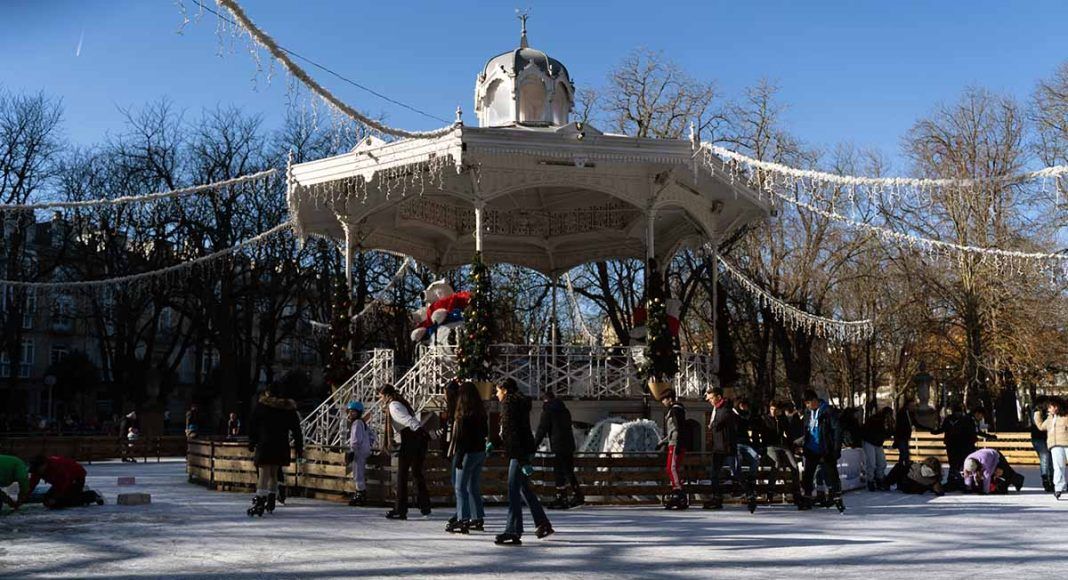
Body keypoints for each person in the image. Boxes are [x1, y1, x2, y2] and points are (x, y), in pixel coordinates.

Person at [494, 378, 553, 546]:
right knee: (523, 488)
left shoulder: (508, 404)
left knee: (513, 489)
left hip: (519, 452)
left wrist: (521, 460)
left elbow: (511, 433)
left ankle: (513, 531)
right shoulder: (518, 403)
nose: (496, 394)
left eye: (498, 390)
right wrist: (496, 442)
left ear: (504, 390)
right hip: (525, 449)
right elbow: (512, 430)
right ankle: (542, 523)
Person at [246, 383, 304, 516]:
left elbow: (253, 424)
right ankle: (271, 499)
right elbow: (296, 430)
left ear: (268, 393)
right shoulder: (288, 409)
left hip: (265, 443)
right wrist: (299, 447)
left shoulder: (262, 406)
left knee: (263, 472)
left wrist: (252, 441)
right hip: (281, 444)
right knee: (274, 472)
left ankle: (260, 501)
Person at [380, 384, 431, 520]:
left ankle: (400, 509)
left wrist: (419, 430)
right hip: (416, 437)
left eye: (381, 396)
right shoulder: (400, 403)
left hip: (411, 437)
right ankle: (425, 505)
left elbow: (406, 420)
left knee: (402, 474)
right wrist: (421, 432)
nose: (381, 400)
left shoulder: (393, 405)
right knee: (416, 472)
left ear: (386, 395)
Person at [447, 381, 488, 534]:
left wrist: (459, 457)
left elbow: (463, 439)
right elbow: (485, 432)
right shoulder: (480, 412)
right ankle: (477, 517)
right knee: (473, 486)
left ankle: (463, 519)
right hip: (479, 452)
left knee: (460, 487)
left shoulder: (464, 414)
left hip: (467, 453)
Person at [534, 389, 583, 510]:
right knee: (568, 470)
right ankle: (577, 495)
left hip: (558, 445)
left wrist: (534, 445)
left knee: (558, 472)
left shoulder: (548, 410)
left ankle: (562, 496)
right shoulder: (564, 410)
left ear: (545, 400)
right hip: (569, 444)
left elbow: (542, 429)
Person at [796, 389, 843, 510]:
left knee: (831, 473)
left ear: (814, 400)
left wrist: (836, 449)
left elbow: (837, 430)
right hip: (811, 448)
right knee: (808, 474)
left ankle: (836, 495)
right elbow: (806, 430)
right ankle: (807, 497)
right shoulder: (808, 413)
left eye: (808, 403)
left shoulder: (827, 411)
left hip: (825, 448)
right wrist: (801, 443)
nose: (807, 406)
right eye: (806, 404)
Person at [702, 387, 738, 510]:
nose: (710, 401)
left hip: (724, 446)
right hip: (719, 446)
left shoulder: (725, 410)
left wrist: (713, 425)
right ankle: (717, 497)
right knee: (715, 474)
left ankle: (746, 492)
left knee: (721, 473)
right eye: (709, 398)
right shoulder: (717, 409)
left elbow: (718, 425)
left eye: (712, 398)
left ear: (718, 397)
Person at [27, 456, 104, 509]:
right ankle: (78, 493)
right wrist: (24, 495)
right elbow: (32, 484)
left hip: (75, 479)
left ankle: (92, 495)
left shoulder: (57, 467)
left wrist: (55, 498)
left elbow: (64, 483)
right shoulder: (38, 470)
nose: (37, 472)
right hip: (59, 483)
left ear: (44, 465)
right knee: (48, 500)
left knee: (63, 502)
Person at [656, 389, 688, 510]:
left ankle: (678, 492)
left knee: (671, 468)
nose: (663, 402)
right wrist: (662, 442)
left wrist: (678, 444)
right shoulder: (675, 410)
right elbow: (672, 430)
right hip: (673, 442)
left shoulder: (675, 410)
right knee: (671, 468)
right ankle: (677, 492)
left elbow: (678, 429)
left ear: (670, 399)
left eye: (664, 399)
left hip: (676, 443)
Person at [1033, 396, 1068, 498]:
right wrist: (1037, 414)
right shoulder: (1049, 418)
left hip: (1066, 443)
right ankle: (1058, 487)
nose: (1048, 409)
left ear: (1056, 406)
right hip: (1055, 445)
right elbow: (1041, 427)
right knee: (1058, 467)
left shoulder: (1065, 416)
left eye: (1050, 407)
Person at [344, 401, 376, 507]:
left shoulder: (357, 423)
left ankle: (360, 494)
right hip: (363, 450)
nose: (351, 414)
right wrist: (368, 444)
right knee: (358, 472)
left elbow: (355, 439)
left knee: (358, 474)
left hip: (359, 451)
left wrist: (353, 450)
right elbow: (372, 436)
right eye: (350, 412)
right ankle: (360, 493)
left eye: (353, 412)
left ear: (359, 413)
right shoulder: (362, 423)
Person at [861, 407, 894, 491]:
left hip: (878, 443)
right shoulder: (875, 419)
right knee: (871, 463)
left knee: (882, 462)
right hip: (869, 441)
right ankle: (870, 480)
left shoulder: (888, 422)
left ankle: (879, 478)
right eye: (888, 414)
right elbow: (867, 430)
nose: (889, 416)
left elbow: (889, 433)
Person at [1029, 396, 1053, 492]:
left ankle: (1052, 479)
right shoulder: (1037, 412)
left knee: (1050, 459)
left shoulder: (1045, 413)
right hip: (1038, 439)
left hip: (1047, 439)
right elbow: (1040, 427)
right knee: (1045, 457)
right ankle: (1046, 480)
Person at [893, 399, 918, 464]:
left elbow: (915, 423)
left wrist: (929, 428)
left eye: (913, 406)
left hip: (906, 437)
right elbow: (899, 427)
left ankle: (903, 467)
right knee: (904, 453)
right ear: (907, 406)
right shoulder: (901, 413)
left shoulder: (911, 414)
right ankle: (903, 467)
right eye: (911, 405)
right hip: (900, 437)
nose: (913, 407)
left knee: (904, 454)